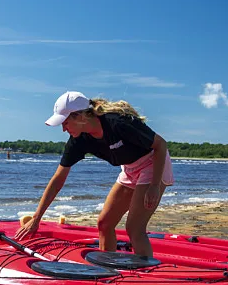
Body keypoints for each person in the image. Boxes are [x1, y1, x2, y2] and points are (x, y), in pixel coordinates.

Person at [15, 91, 173, 258]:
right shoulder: (78, 140)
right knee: (104, 223)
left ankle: (144, 275)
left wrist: (155, 185)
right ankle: (108, 271)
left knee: (134, 228)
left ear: (80, 116)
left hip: (153, 164)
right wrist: (37, 218)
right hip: (129, 169)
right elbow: (58, 179)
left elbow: (161, 145)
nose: (63, 129)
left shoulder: (117, 123)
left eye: (65, 123)